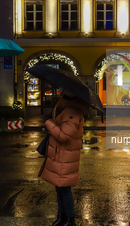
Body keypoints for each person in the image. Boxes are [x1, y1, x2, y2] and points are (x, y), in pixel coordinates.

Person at [39, 92, 89, 226]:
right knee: (59, 188)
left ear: (67, 98)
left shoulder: (71, 113)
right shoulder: (67, 111)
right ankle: (62, 217)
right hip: (61, 155)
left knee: (65, 189)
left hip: (65, 157)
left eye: (62, 96)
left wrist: (48, 121)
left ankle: (70, 220)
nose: (58, 98)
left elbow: (64, 136)